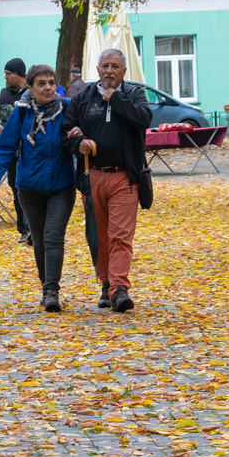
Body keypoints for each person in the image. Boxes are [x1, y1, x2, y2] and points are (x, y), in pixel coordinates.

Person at [61, 48, 152, 312]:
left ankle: (119, 288)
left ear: (124, 71)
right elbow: (66, 133)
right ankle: (106, 284)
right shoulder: (82, 98)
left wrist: (117, 99)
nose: (109, 70)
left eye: (115, 66)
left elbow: (144, 120)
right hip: (93, 176)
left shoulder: (134, 94)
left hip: (125, 177)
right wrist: (79, 142)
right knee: (99, 237)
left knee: (120, 235)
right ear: (97, 70)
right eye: (105, 66)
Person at [0, 65, 75, 312]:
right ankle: (46, 287)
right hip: (29, 188)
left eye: (51, 82)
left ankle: (51, 291)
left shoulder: (66, 108)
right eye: (42, 83)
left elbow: (80, 135)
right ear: (31, 88)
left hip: (62, 185)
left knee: (53, 236)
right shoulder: (22, 113)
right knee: (39, 240)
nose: (48, 87)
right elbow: (4, 147)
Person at [0, 58, 31, 244]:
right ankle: (23, 229)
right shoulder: (2, 94)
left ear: (19, 75)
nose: (4, 77)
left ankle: (32, 229)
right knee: (16, 190)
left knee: (29, 189)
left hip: (29, 152)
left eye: (8, 74)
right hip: (11, 153)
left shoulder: (32, 92)